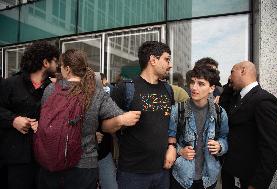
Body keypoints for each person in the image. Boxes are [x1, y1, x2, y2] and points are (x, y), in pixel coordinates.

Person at [37, 49, 140, 189]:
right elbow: (117, 115)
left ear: (67, 69)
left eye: (61, 67)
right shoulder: (95, 93)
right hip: (84, 165)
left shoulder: (50, 89)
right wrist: (123, 119)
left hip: (51, 161)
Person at [108, 41, 176, 189]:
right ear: (153, 60)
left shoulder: (168, 89)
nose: (170, 65)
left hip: (162, 171)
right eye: (167, 59)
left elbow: (170, 122)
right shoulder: (125, 88)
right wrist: (120, 119)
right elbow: (104, 126)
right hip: (132, 174)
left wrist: (171, 146)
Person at [0, 41, 59, 189]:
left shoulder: (54, 88)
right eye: (55, 61)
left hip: (45, 159)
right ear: (46, 62)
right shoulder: (11, 83)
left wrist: (43, 124)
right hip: (16, 160)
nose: (57, 65)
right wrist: (13, 120)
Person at [221, 61, 277, 189]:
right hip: (230, 174)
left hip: (248, 180)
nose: (230, 77)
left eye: (232, 72)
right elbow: (224, 113)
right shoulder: (237, 97)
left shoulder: (263, 100)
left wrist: (257, 184)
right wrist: (228, 87)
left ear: (243, 71)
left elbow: (271, 148)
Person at [169, 66, 229, 189]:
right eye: (192, 82)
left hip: (208, 178)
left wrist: (220, 146)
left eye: (201, 84)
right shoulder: (178, 110)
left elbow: (225, 137)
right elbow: (168, 138)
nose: (194, 87)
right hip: (181, 176)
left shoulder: (219, 112)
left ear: (212, 88)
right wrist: (180, 151)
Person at [96, 72, 118, 189]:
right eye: (103, 85)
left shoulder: (108, 101)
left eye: (107, 85)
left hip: (104, 154)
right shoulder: (84, 101)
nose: (106, 88)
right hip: (86, 157)